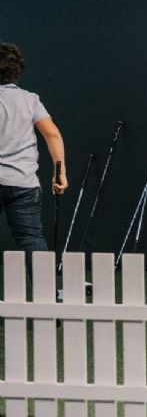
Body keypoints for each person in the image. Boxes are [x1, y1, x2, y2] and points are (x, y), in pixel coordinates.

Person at [0, 43, 67, 259]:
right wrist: (60, 173)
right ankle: (42, 282)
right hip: (24, 183)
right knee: (31, 239)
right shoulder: (30, 99)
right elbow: (52, 134)